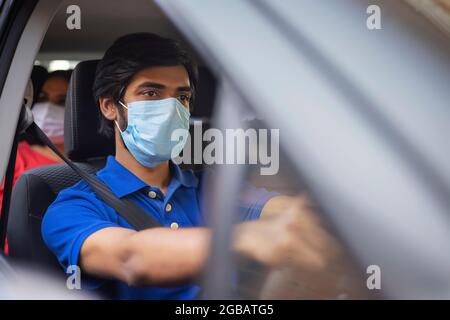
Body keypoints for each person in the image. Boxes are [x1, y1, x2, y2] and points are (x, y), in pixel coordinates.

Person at [41, 33, 339, 299]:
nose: (172, 108)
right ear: (109, 106)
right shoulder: (73, 206)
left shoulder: (211, 187)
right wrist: (245, 238)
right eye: (151, 93)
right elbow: (130, 259)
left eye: (182, 97)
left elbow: (283, 210)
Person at [0, 70, 71, 254]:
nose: (47, 108)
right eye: (43, 97)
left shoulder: (103, 166)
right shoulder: (11, 156)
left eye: (61, 101)